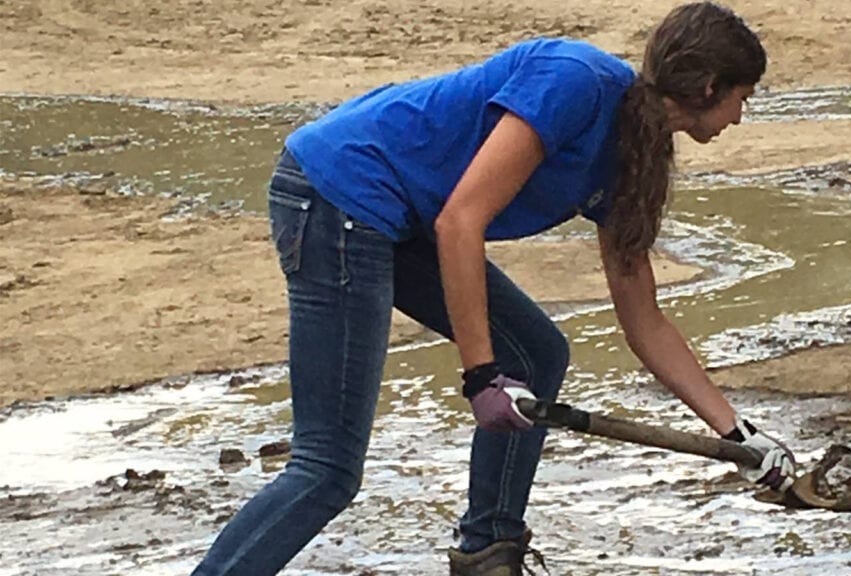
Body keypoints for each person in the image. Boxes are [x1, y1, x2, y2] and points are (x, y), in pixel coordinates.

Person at [191, 2, 796, 575]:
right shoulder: (576, 82)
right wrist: (481, 377)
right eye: (743, 98)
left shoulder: (635, 154)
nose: (741, 116)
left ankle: (488, 553)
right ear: (710, 86)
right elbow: (461, 222)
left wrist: (740, 437)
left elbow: (646, 323)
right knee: (327, 469)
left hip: (398, 217)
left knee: (536, 354)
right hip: (337, 194)